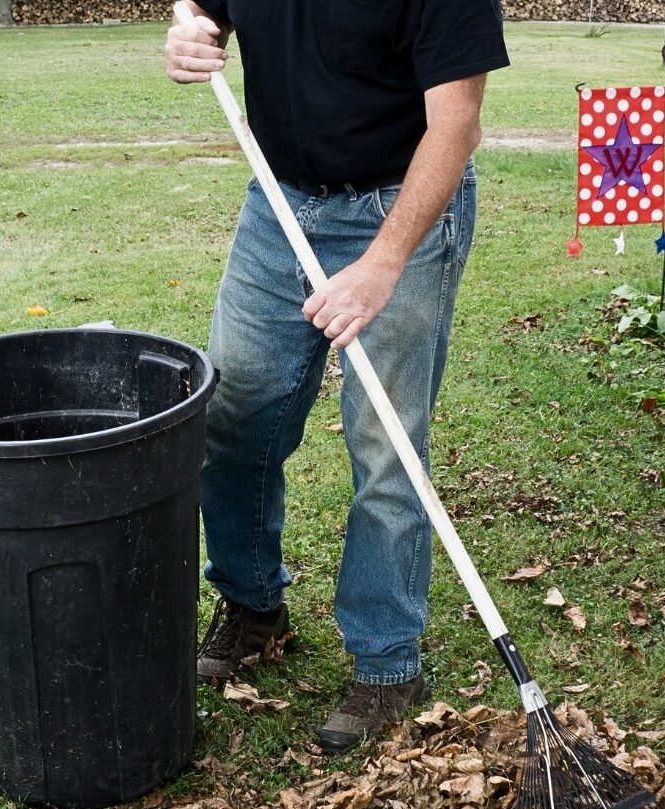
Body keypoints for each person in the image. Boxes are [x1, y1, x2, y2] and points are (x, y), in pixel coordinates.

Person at [165, 0, 509, 754]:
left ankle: (388, 663)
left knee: (385, 442)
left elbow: (457, 125)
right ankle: (254, 608)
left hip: (402, 207)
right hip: (278, 201)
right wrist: (189, 29)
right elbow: (198, 8)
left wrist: (381, 265)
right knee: (232, 417)